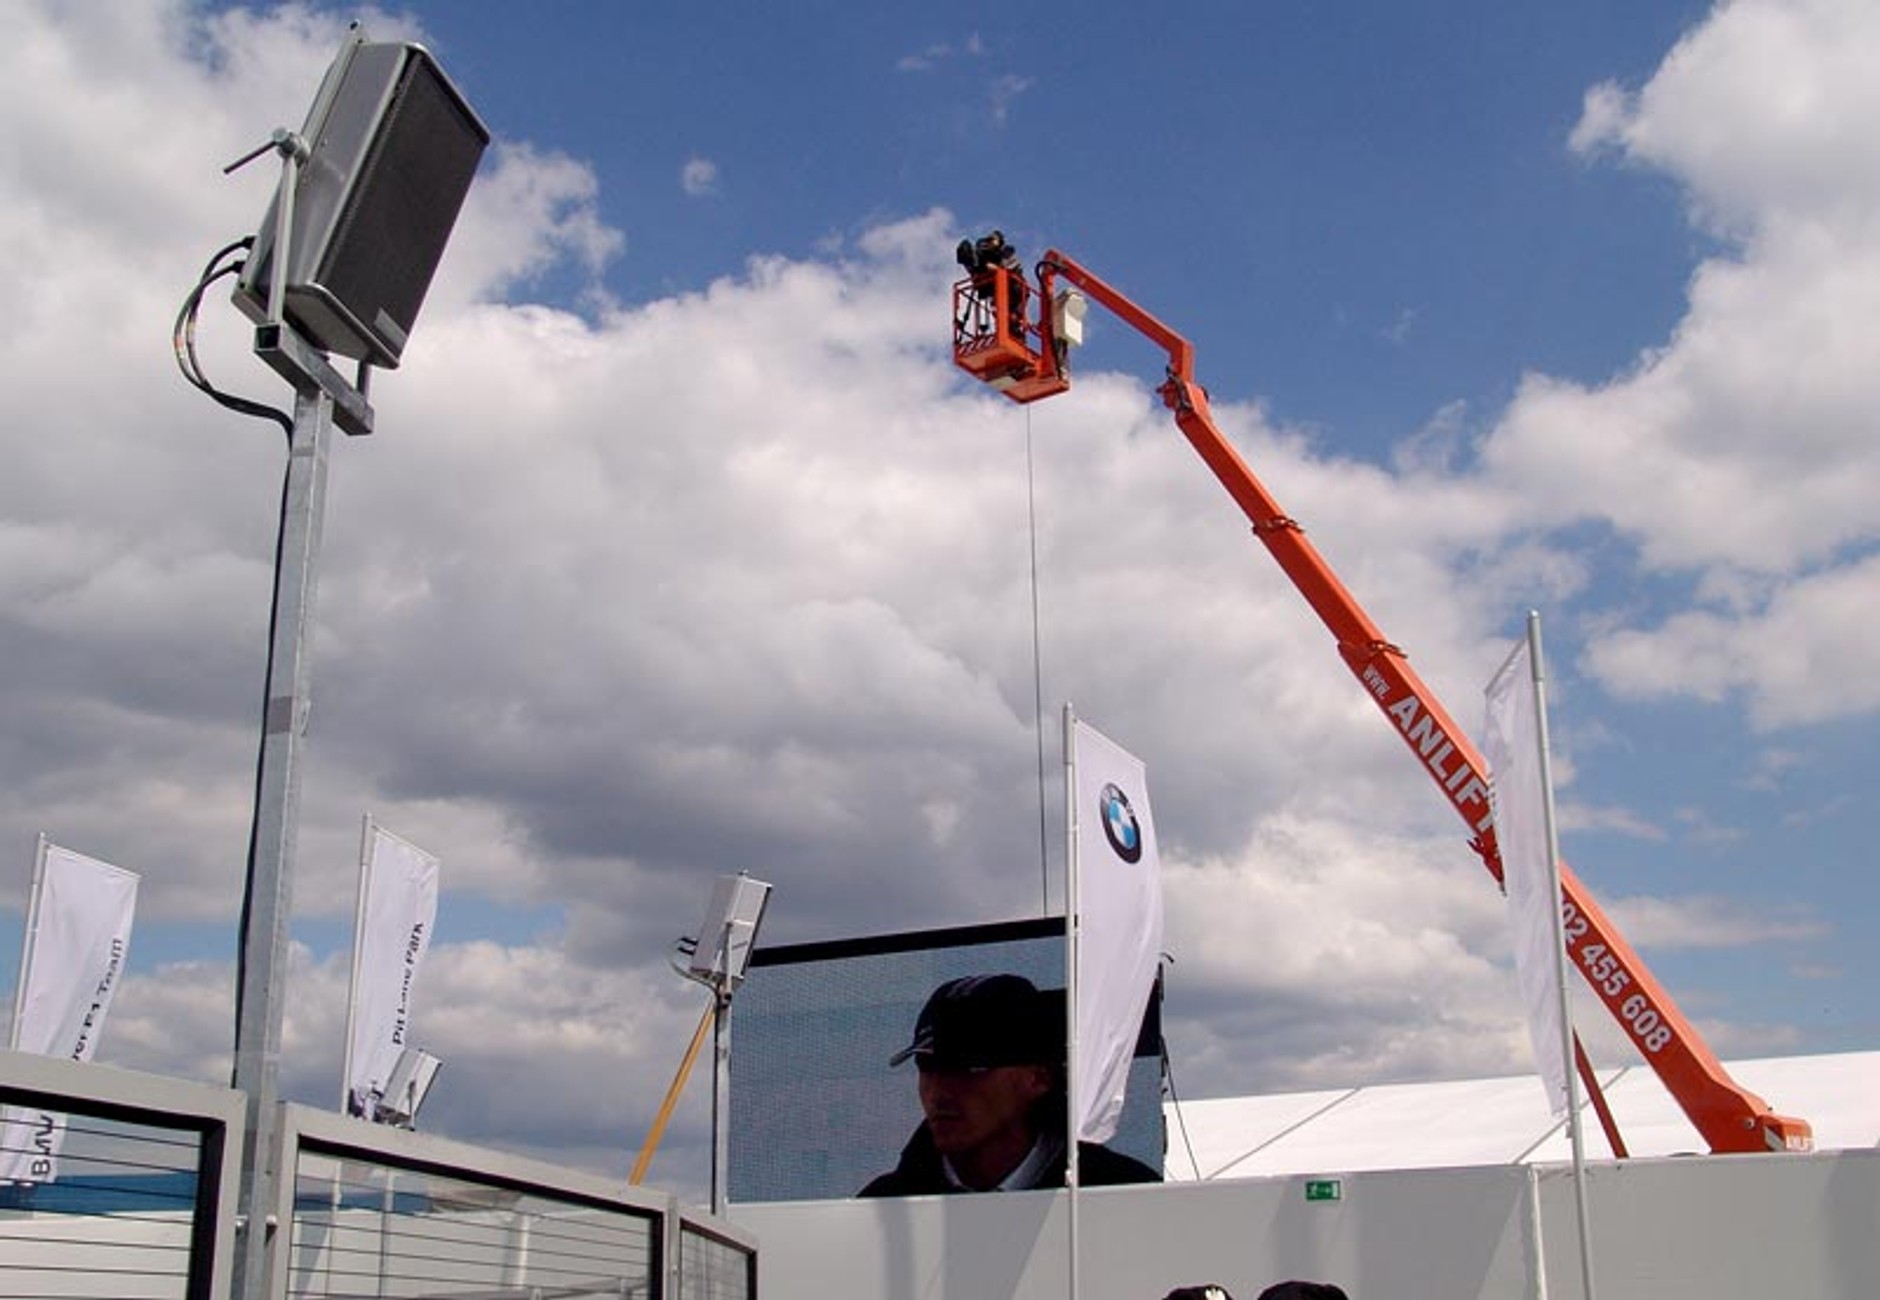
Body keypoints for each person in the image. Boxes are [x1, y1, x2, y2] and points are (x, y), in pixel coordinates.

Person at [858, 973, 1161, 1196]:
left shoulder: (1126, 1195)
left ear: (1039, 1077)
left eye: (967, 1067)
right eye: (926, 1066)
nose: (938, 1091)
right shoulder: (880, 1209)